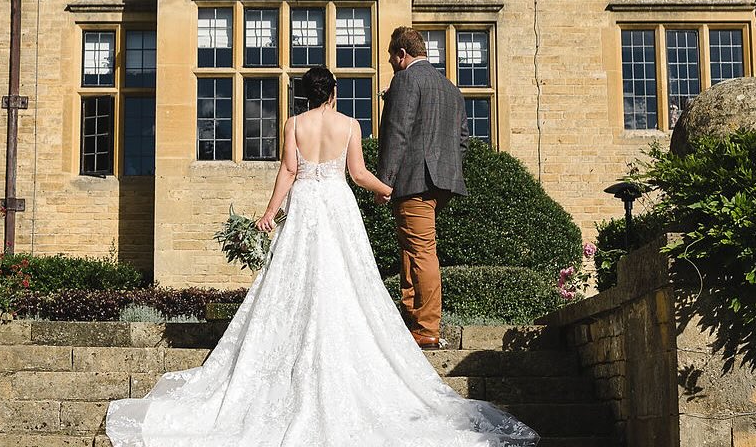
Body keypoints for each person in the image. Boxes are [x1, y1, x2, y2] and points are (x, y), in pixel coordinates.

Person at [104, 66, 537, 447]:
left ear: (306, 96)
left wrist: (269, 213)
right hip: (338, 206)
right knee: (348, 279)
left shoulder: (294, 124)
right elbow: (358, 173)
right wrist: (388, 191)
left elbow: (289, 172)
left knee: (293, 280)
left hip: (307, 207)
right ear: (332, 94)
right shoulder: (350, 124)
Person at [377, 25, 470, 349]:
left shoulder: (405, 79)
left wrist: (384, 181)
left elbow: (397, 133)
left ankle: (428, 327)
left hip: (414, 180)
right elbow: (462, 140)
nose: (391, 64)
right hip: (440, 181)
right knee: (411, 248)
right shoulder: (450, 87)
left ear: (402, 54)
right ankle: (413, 318)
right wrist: (447, 168)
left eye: (391, 58)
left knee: (420, 251)